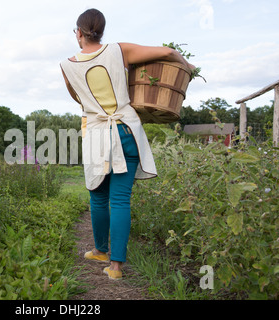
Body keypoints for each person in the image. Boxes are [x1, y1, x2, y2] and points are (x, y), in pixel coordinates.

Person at [60, 8, 195, 280]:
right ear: (101, 30)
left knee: (98, 196)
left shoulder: (66, 66)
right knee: (120, 200)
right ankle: (116, 267)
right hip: (127, 130)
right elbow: (168, 53)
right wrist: (188, 67)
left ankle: (100, 250)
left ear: (78, 33)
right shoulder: (118, 50)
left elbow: (79, 99)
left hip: (97, 134)